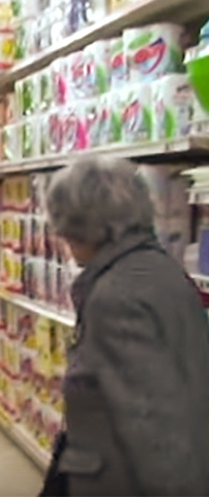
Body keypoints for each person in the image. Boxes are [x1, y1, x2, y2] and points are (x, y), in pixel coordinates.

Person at [41, 156, 209, 496]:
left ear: (85, 226)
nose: (64, 240)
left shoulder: (116, 298)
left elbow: (151, 419)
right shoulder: (162, 271)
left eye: (68, 230)